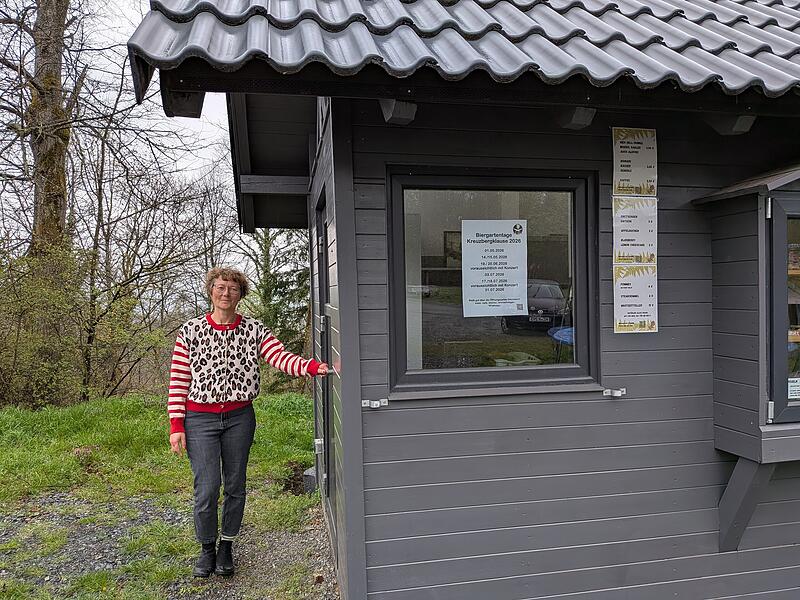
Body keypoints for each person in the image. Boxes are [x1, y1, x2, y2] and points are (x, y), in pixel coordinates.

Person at [167, 267, 328, 577]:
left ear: (241, 294)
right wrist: (177, 425)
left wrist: (311, 367)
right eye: (220, 287)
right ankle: (206, 548)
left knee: (235, 484)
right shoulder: (191, 330)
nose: (226, 293)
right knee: (207, 488)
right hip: (199, 419)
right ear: (211, 291)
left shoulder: (254, 329)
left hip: (239, 418)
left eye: (233, 288)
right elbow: (178, 380)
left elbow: (280, 357)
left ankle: (226, 545)